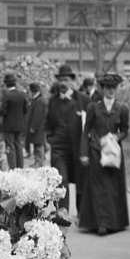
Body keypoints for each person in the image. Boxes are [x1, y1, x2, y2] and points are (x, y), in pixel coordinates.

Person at [79, 74, 130, 235]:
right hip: (96, 153)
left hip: (114, 154)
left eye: (113, 87)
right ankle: (101, 223)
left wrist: (117, 136)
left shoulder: (122, 109)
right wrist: (84, 153)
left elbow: (125, 131)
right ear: (102, 89)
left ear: (117, 89)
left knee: (113, 188)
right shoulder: (93, 107)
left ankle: (115, 222)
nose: (110, 91)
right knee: (99, 189)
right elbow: (86, 131)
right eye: (107, 88)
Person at [46, 64, 90, 213]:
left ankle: (81, 214)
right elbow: (48, 122)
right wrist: (50, 138)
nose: (63, 83)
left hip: (78, 148)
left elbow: (90, 123)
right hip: (59, 148)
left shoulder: (83, 100)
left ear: (72, 81)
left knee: (81, 181)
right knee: (61, 180)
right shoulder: (53, 101)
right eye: (60, 80)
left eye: (66, 80)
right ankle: (63, 215)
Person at [0, 73, 28, 169]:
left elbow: (3, 111)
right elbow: (26, 110)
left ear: (6, 84)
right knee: (18, 145)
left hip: (8, 125)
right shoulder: (22, 95)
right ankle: (20, 166)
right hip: (20, 124)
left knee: (10, 146)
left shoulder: (7, 96)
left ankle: (12, 167)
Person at [25, 82, 48, 168]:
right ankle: (38, 161)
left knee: (38, 144)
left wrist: (33, 126)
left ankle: (39, 162)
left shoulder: (39, 101)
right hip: (40, 126)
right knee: (37, 143)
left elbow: (37, 115)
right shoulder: (38, 99)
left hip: (38, 126)